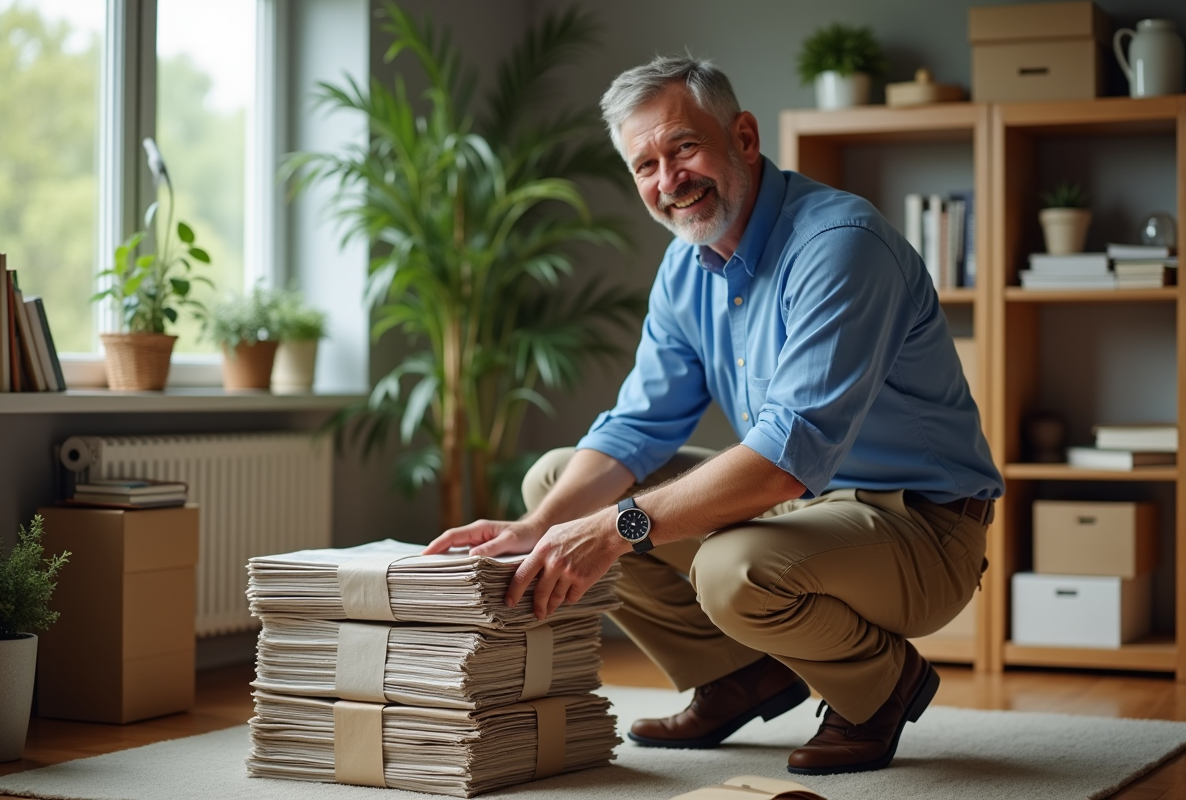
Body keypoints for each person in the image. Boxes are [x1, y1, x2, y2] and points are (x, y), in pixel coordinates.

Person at [423, 55, 1003, 776]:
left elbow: (785, 461)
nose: (669, 182)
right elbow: (636, 426)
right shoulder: (684, 267)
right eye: (645, 166)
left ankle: (880, 688)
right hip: (811, 511)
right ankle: (738, 677)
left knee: (727, 567)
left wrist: (614, 529)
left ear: (745, 138)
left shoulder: (839, 247)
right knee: (555, 484)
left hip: (922, 526)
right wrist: (534, 529)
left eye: (684, 148)